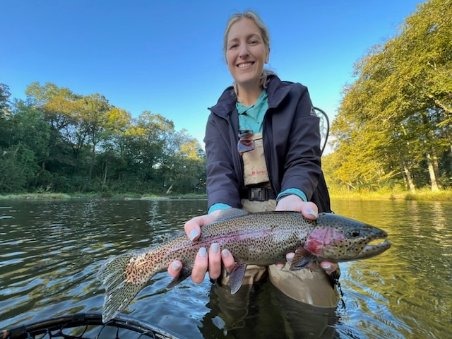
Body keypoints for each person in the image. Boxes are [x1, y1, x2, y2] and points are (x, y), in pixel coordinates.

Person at [167, 11, 339, 308]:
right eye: (234, 45)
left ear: (266, 49)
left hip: (294, 214)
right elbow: (220, 172)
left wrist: (294, 198)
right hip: (238, 220)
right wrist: (220, 214)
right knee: (231, 303)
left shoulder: (296, 96)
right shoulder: (219, 116)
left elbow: (303, 158)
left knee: (313, 304)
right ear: (226, 56)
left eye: (252, 41)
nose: (243, 51)